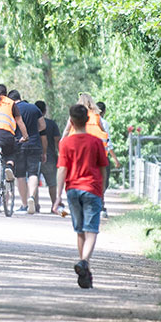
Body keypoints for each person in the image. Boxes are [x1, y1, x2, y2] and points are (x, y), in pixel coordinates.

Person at [54, 104, 109, 289]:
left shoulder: (65, 143)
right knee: (91, 230)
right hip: (92, 189)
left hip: (73, 190)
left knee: (80, 231)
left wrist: (57, 196)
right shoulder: (96, 142)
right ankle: (84, 261)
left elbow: (62, 170)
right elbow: (103, 168)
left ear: (71, 121)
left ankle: (85, 270)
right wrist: (102, 192)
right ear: (87, 120)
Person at [10, 90, 44, 215]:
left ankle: (24, 204)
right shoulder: (34, 108)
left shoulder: (12, 109)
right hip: (34, 143)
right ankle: (31, 198)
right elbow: (43, 125)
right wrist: (33, 132)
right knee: (33, 173)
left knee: (20, 175)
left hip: (19, 144)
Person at [0, 84, 27, 183]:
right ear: (6, 93)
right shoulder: (11, 103)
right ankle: (9, 166)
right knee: (11, 153)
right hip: (7, 136)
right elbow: (20, 121)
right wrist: (25, 136)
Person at [36, 100, 64, 216]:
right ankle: (54, 205)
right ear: (45, 111)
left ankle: (35, 205)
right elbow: (57, 140)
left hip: (34, 155)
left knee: (33, 180)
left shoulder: (32, 123)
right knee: (52, 183)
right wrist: (61, 153)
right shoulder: (51, 124)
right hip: (50, 156)